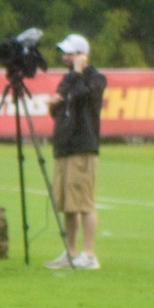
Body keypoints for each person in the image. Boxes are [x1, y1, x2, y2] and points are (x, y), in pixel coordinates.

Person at [45, 34, 107, 270]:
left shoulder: (95, 78)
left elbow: (83, 97)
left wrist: (80, 72)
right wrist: (54, 106)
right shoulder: (68, 79)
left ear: (82, 55)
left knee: (84, 202)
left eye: (70, 53)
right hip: (65, 146)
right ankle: (70, 252)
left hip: (83, 145)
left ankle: (89, 255)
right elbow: (64, 110)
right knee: (68, 204)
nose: (65, 57)